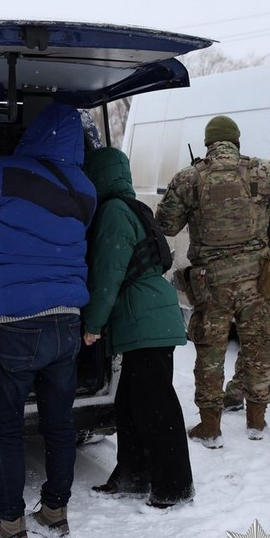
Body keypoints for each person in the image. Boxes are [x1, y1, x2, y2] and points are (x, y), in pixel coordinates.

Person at [0, 103, 96, 538]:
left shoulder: (6, 170)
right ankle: (55, 513)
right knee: (59, 421)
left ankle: (10, 525)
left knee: (7, 425)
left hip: (15, 320)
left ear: (35, 133)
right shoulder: (85, 188)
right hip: (67, 320)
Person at [156, 115, 270, 447]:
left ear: (208, 144)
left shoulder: (189, 178)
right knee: (258, 350)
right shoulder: (261, 171)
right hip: (257, 281)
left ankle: (210, 427)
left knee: (210, 354)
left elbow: (166, 224)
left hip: (211, 283)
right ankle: (257, 422)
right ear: (236, 141)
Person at [81, 146, 193, 508]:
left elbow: (108, 274)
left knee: (156, 407)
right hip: (148, 316)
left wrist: (93, 324)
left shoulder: (113, 212)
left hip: (146, 320)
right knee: (130, 403)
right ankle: (133, 475)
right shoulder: (134, 206)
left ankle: (174, 487)